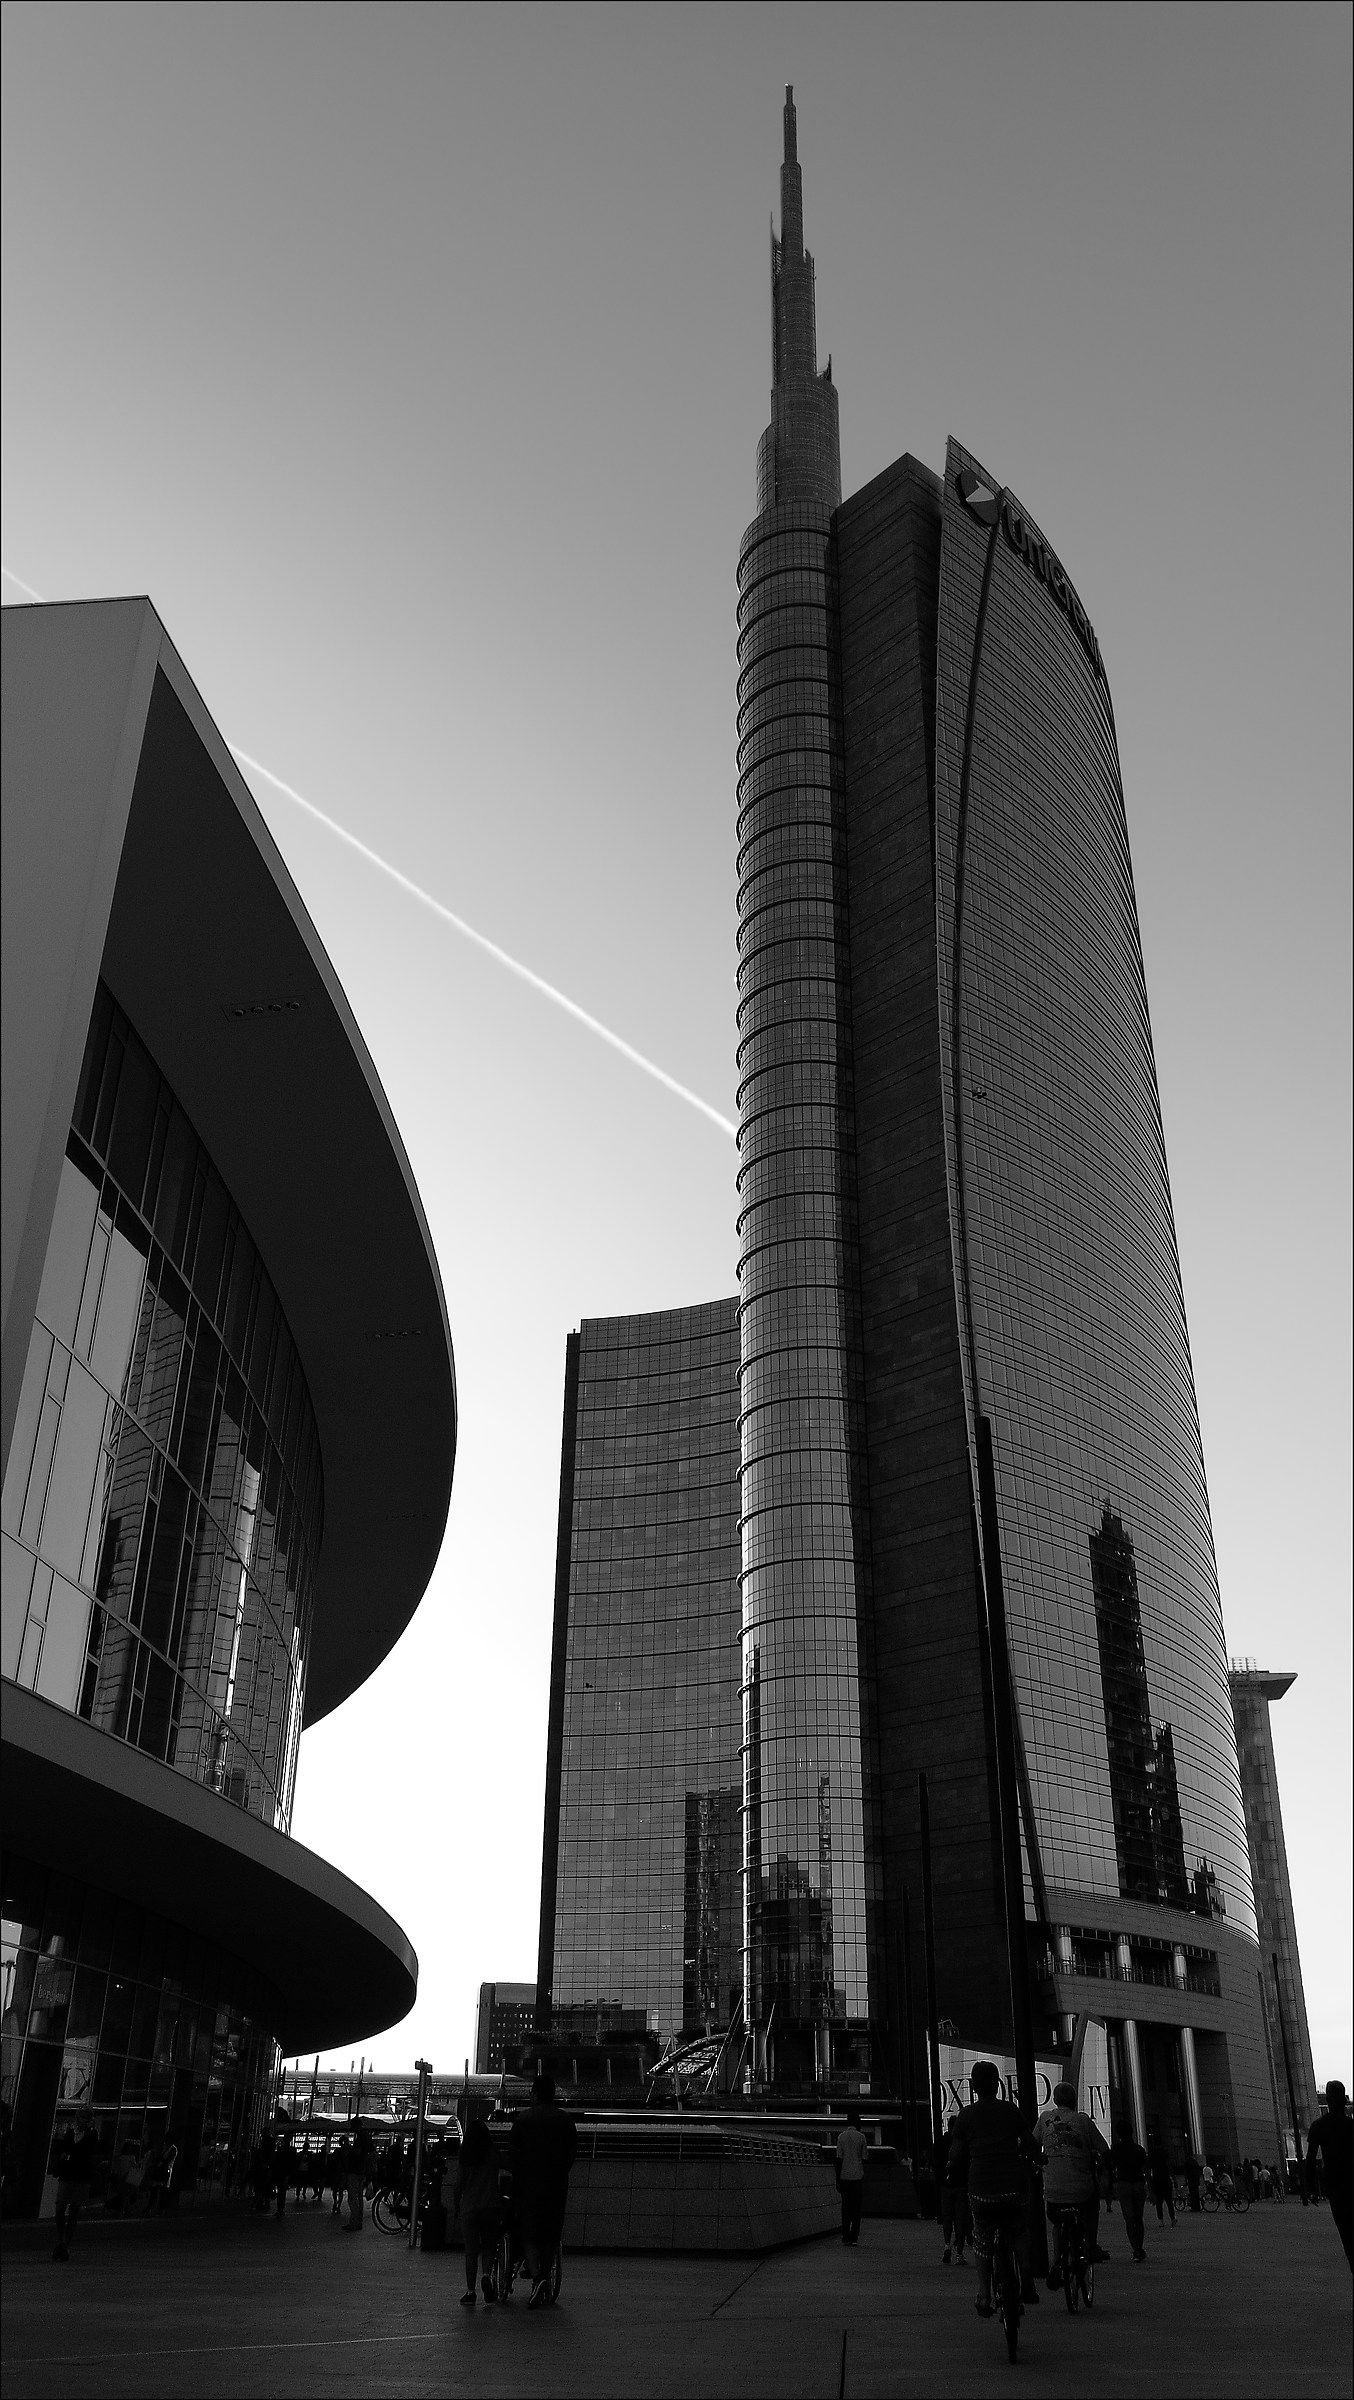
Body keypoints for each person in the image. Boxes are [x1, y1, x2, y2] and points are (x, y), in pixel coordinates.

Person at [946, 2061, 1034, 2322]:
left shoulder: (966, 2116)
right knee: (1019, 2227)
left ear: (973, 2087)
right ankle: (1026, 2272)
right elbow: (1029, 2143)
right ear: (998, 2085)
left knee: (983, 2237)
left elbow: (957, 2153)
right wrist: (1039, 2159)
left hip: (982, 2187)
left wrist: (952, 2164)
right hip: (1013, 2185)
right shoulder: (1011, 2111)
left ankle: (984, 2294)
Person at [507, 2071, 578, 2307]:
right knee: (550, 2236)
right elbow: (570, 2155)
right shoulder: (565, 2120)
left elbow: (513, 2155)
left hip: (528, 2186)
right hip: (556, 2185)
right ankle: (544, 2279)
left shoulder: (524, 2119)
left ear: (535, 2094)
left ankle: (538, 2279)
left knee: (528, 2233)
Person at [1037, 2080, 1109, 2286]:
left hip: (1053, 2190)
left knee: (1056, 2221)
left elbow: (1033, 2145)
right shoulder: (1083, 2121)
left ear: (1054, 2099)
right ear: (1075, 2100)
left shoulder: (1044, 2118)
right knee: (1092, 2202)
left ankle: (1057, 2262)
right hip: (1081, 2191)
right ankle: (1091, 2246)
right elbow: (1104, 2149)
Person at [453, 2120, 501, 2305]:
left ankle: (470, 2292)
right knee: (489, 2247)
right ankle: (487, 2275)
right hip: (491, 2207)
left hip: (470, 2209)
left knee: (471, 2252)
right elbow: (511, 2164)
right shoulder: (493, 2154)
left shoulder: (466, 2155)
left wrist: (456, 2205)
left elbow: (458, 2185)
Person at [1306, 2083, 1352, 2270]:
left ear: (1328, 2100)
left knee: (1346, 2232)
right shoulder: (1350, 2126)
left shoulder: (1319, 2126)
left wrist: (1310, 2187)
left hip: (1336, 2186)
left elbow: (1310, 2159)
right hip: (1347, 2183)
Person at [51, 2112, 99, 2261]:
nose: (83, 2121)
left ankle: (64, 2245)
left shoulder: (92, 2134)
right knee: (60, 2208)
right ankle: (60, 2240)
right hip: (67, 2173)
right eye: (82, 2118)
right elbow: (64, 2148)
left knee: (73, 2210)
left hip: (81, 2175)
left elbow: (89, 2150)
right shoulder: (71, 2133)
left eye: (87, 2118)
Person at [1108, 2125, 1149, 2262]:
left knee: (1129, 2219)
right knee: (1138, 2217)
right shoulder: (1139, 2150)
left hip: (1124, 2184)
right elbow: (1146, 2168)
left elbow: (1111, 2166)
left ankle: (1136, 2249)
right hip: (1138, 2184)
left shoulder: (1116, 2149)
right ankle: (1139, 2247)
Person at [835, 2107, 868, 2246]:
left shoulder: (841, 2136)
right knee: (856, 2207)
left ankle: (845, 2234)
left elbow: (838, 2158)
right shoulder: (861, 2137)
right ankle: (854, 2235)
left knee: (845, 2207)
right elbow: (865, 2157)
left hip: (844, 2175)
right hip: (857, 2176)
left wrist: (838, 2179)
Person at [940, 2122, 972, 2267]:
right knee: (961, 2219)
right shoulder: (965, 2145)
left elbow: (936, 2161)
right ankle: (959, 2253)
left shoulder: (942, 2142)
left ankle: (947, 2245)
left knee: (947, 2217)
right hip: (961, 2185)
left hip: (946, 2185)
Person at [344, 2124, 371, 2231]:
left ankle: (354, 2222)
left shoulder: (359, 2139)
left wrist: (350, 2151)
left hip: (354, 2171)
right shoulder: (366, 2138)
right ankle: (358, 2222)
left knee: (353, 2198)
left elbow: (357, 2153)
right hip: (362, 2171)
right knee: (359, 2198)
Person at [1147, 2131, 1176, 2226]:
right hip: (1165, 2179)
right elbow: (1169, 2166)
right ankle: (1172, 2219)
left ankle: (1161, 2220)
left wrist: (1149, 2182)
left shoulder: (1151, 2154)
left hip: (1156, 2179)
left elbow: (1148, 2168)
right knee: (1169, 2201)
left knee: (1159, 2201)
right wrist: (1174, 2179)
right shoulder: (1164, 2153)